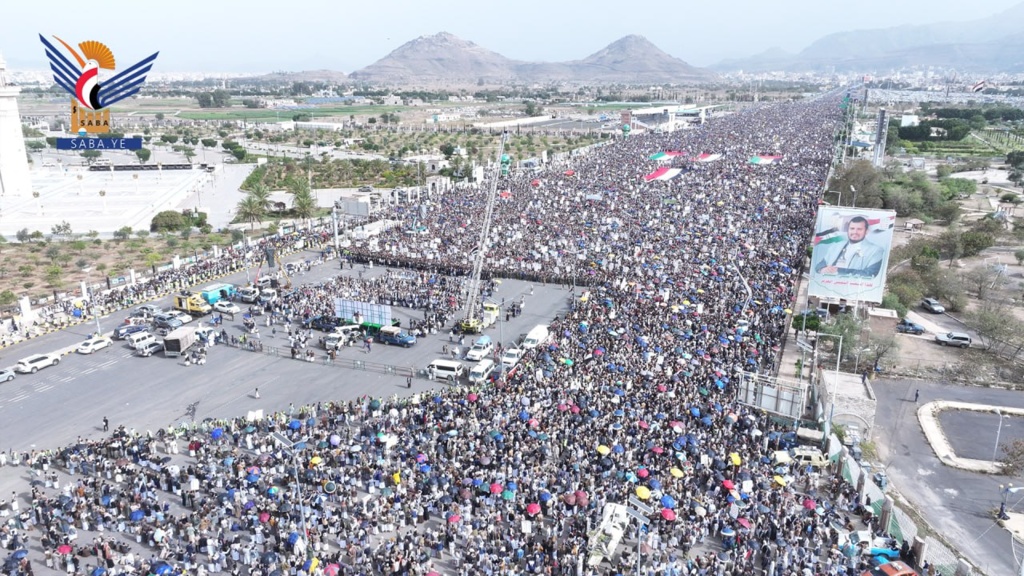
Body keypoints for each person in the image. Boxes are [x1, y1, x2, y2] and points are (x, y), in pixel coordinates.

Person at [813, 215, 886, 278]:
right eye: (852, 228)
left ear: (866, 231)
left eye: (859, 229)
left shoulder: (876, 250)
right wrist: (823, 269)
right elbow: (819, 266)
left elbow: (870, 274)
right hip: (829, 285)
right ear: (848, 230)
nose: (855, 232)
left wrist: (839, 271)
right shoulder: (836, 246)